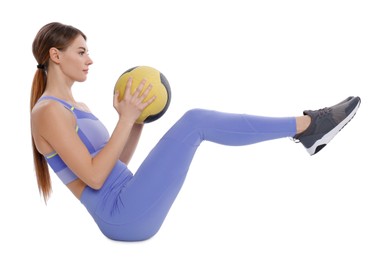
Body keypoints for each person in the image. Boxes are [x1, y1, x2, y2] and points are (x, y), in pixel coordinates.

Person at [30, 22, 361, 242]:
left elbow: (117, 163)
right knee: (196, 122)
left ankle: (308, 129)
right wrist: (124, 119)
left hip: (127, 196)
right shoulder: (48, 112)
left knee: (195, 122)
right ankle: (308, 127)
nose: (90, 59)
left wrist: (136, 122)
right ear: (55, 56)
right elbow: (96, 179)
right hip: (121, 214)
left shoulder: (79, 108)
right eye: (81, 51)